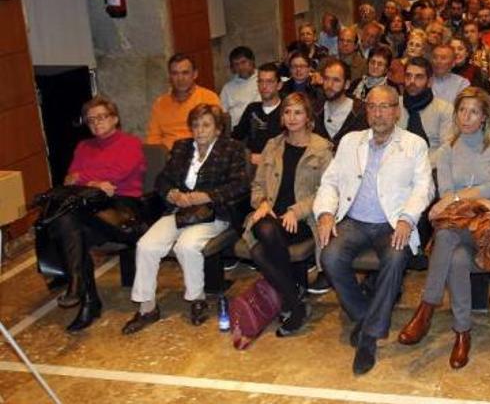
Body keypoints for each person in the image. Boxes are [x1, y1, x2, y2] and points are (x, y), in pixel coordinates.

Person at [314, 85, 433, 375]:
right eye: (373, 107)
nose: (378, 113)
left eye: (385, 107)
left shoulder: (414, 144)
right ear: (366, 110)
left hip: (391, 222)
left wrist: (407, 218)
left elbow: (424, 187)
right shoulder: (350, 142)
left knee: (395, 258)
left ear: (397, 111)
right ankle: (368, 317)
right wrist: (327, 212)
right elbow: (330, 182)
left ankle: (369, 337)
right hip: (353, 220)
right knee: (329, 256)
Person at [397, 87, 490, 369]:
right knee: (454, 252)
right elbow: (446, 191)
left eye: (474, 111)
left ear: (484, 117)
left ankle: (426, 308)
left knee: (445, 233)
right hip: (459, 224)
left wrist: (461, 197)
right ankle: (462, 332)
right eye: (461, 110)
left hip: (488, 229)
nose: (466, 116)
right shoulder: (447, 150)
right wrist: (481, 199)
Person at [123, 104, 249, 335]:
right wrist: (172, 193)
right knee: (146, 245)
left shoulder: (232, 149)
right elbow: (162, 180)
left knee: (187, 246)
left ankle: (197, 299)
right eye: (195, 125)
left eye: (206, 125)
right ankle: (147, 307)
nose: (200, 130)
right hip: (179, 212)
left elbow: (240, 185)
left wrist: (207, 196)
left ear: (218, 129)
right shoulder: (181, 148)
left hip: (212, 213)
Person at [52, 96, 146, 332]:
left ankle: (83, 295)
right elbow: (68, 179)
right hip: (88, 208)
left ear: (114, 119)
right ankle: (86, 299)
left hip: (122, 209)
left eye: (102, 117)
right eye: (91, 119)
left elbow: (116, 175)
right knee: (74, 231)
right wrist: (94, 183)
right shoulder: (83, 146)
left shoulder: (131, 143)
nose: (96, 123)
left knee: (68, 225)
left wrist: (85, 179)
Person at [244, 93, 333, 337]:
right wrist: (261, 203)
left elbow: (327, 191)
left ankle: (292, 300)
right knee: (264, 227)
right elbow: (257, 185)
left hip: (302, 220)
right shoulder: (272, 145)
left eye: (298, 112)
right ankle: (295, 303)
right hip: (270, 216)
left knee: (259, 250)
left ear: (308, 117)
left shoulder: (322, 149)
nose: (291, 118)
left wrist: (296, 210)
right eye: (287, 112)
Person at [145, 54, 221, 150]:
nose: (180, 78)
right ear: (170, 77)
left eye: (185, 73)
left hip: (199, 153)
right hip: (168, 157)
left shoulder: (208, 98)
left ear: (195, 74)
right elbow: (153, 139)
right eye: (175, 73)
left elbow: (214, 135)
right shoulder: (160, 103)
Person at [397, 56, 454, 167]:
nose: (412, 81)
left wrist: (420, 166)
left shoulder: (444, 109)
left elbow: (447, 148)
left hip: (431, 169)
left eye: (419, 77)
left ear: (430, 81)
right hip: (396, 166)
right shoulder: (394, 105)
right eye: (408, 76)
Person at [232, 63, 285, 165]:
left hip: (279, 164)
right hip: (252, 164)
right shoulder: (252, 109)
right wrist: (247, 156)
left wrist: (266, 158)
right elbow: (236, 138)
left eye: (269, 82)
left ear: (279, 85)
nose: (264, 86)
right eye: (261, 81)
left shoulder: (287, 110)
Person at [314, 59, 369, 148]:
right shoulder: (314, 110)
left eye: (336, 80)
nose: (329, 85)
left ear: (347, 84)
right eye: (326, 79)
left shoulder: (361, 113)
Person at [220, 46, 261, 127]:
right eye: (236, 64)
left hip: (260, 126)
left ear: (252, 61)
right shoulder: (227, 88)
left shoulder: (263, 79)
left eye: (243, 62)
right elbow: (222, 112)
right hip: (237, 131)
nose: (241, 67)